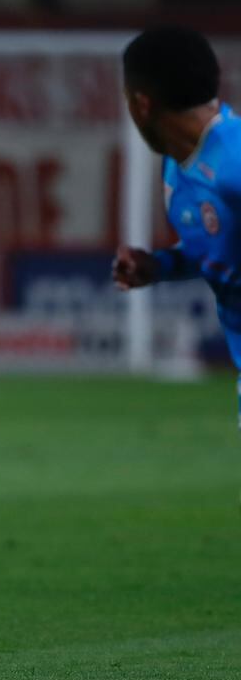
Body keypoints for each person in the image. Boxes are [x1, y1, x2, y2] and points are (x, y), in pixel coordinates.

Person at [113, 26, 241, 427]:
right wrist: (163, 266)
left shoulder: (234, 162)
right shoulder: (179, 162)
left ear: (141, 104)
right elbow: (220, 246)